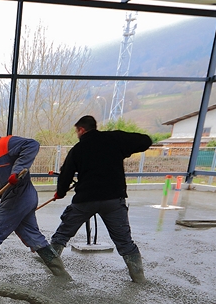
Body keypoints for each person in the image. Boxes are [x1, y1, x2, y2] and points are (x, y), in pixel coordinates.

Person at [50, 115, 152, 283]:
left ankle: (52, 263)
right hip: (113, 199)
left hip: (85, 200)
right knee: (125, 241)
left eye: (77, 131)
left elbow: (66, 174)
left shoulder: (78, 148)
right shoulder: (115, 139)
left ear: (82, 130)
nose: (77, 134)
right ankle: (138, 276)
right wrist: (121, 142)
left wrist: (60, 193)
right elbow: (145, 141)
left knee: (62, 234)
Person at [0, 121, 69, 279]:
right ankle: (62, 275)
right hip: (21, 199)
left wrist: (17, 170)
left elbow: (32, 145)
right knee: (34, 237)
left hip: (18, 197)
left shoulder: (6, 143)